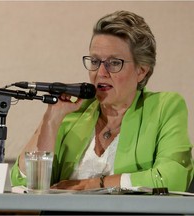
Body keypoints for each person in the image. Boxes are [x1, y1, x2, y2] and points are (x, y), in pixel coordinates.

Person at [11, 10, 193, 192]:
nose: (101, 72)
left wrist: (94, 184)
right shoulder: (75, 112)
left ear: (141, 70)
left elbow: (172, 177)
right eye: (95, 61)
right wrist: (52, 118)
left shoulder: (164, 107)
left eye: (114, 63)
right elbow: (24, 181)